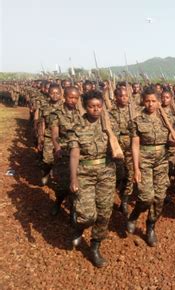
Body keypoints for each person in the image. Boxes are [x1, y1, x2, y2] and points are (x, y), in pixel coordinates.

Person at [69, 90, 117, 268]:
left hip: (106, 173)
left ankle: (95, 246)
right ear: (85, 106)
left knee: (104, 214)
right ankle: (79, 226)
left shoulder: (109, 123)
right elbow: (74, 154)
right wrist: (73, 178)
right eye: (91, 106)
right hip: (85, 173)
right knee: (88, 216)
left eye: (99, 106)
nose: (95, 109)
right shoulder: (77, 125)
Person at [127, 87, 171, 246]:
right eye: (147, 101)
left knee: (159, 198)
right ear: (143, 102)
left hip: (162, 161)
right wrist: (136, 168)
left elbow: (171, 140)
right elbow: (135, 145)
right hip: (144, 161)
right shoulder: (137, 121)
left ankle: (150, 226)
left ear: (159, 102)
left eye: (153, 101)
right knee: (146, 197)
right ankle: (135, 214)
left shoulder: (166, 120)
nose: (150, 104)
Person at [49, 86, 81, 218]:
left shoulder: (82, 113)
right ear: (64, 97)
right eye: (70, 97)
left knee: (77, 182)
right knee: (62, 185)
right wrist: (57, 148)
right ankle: (58, 201)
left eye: (76, 98)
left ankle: (74, 209)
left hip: (79, 152)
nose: (73, 100)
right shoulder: (56, 114)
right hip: (64, 151)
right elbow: (54, 133)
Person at [109, 87, 136, 216]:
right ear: (116, 97)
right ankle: (111, 195)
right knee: (118, 174)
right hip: (116, 146)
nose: (124, 98)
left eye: (126, 96)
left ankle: (124, 202)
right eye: (121, 96)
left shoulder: (134, 111)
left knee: (130, 174)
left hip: (130, 145)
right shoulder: (110, 112)